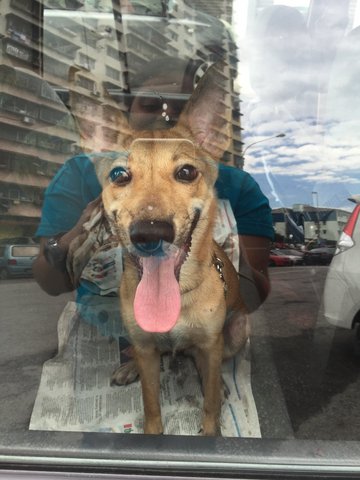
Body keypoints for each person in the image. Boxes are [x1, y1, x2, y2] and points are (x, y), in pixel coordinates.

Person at [33, 59, 274, 337]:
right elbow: (50, 284)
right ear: (126, 114)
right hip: (104, 338)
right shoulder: (77, 174)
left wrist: (223, 255)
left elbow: (254, 298)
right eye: (152, 103)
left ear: (207, 132)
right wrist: (72, 238)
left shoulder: (240, 187)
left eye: (180, 105)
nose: (165, 114)